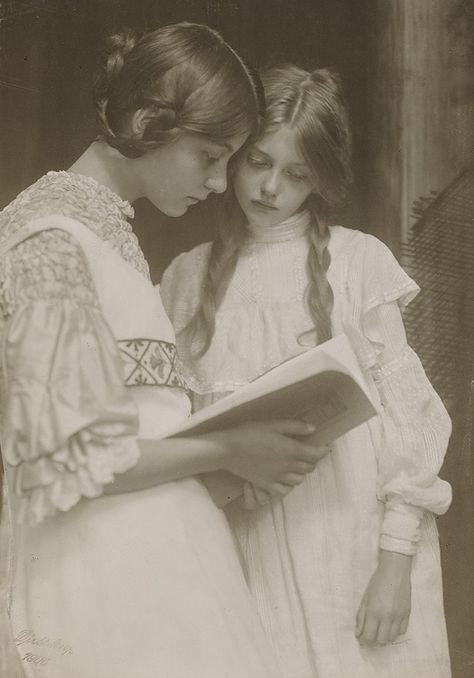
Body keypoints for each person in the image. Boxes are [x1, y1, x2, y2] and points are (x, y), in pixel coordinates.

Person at [0, 29, 324, 678]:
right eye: (209, 155)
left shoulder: (106, 230)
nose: (217, 181)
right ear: (149, 123)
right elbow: (66, 465)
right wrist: (232, 449)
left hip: (157, 568)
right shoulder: (50, 236)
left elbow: (132, 422)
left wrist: (230, 444)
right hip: (95, 582)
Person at [160, 64, 453, 678]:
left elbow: (413, 421)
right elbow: (173, 431)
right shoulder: (187, 277)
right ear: (233, 157)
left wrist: (396, 560)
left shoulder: (358, 261)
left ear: (319, 178)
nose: (271, 188)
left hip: (350, 544)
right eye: (259, 163)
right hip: (237, 542)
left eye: (296, 174)